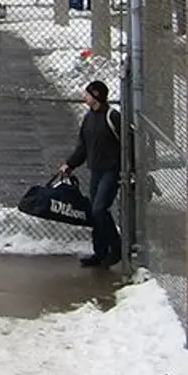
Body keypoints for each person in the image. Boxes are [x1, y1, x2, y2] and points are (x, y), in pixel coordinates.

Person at [65, 79, 125, 268]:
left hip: (111, 170)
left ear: (96, 96)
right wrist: (70, 164)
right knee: (95, 211)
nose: (84, 96)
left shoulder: (112, 116)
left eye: (88, 93)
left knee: (100, 208)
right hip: (96, 170)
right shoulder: (89, 118)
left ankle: (117, 248)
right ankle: (100, 252)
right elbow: (83, 146)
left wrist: (127, 168)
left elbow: (127, 143)